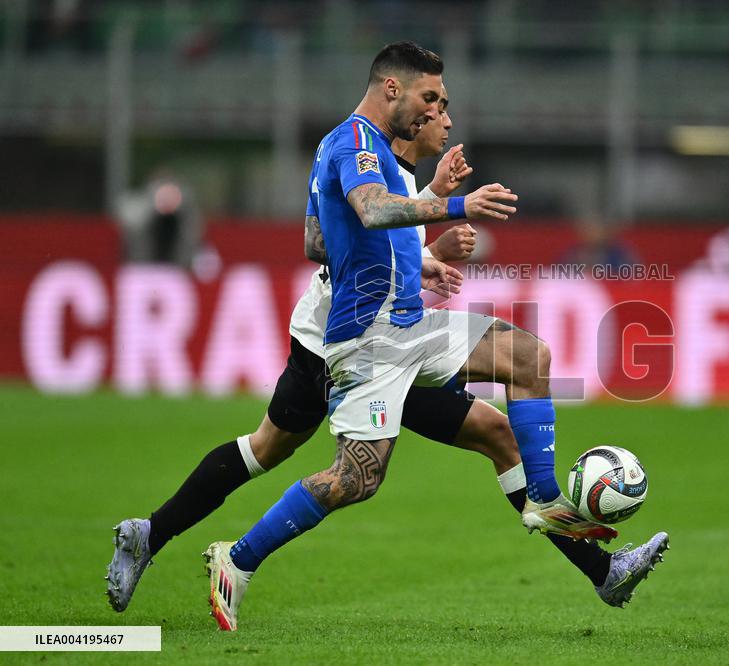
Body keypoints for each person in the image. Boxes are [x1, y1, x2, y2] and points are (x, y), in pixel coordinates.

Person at [106, 78, 667, 621]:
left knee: (500, 419)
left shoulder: (390, 166)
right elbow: (351, 233)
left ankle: (600, 569)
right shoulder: (364, 151)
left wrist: (427, 242)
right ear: (402, 102)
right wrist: (446, 209)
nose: (443, 119)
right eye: (435, 105)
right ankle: (199, 547)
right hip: (343, 344)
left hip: (392, 335)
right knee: (310, 463)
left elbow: (353, 238)